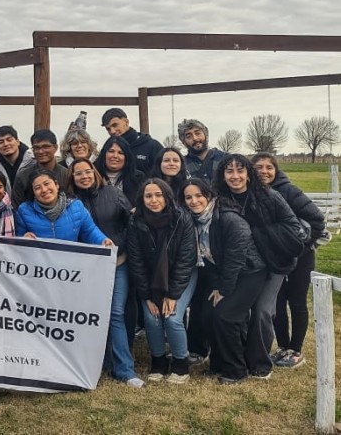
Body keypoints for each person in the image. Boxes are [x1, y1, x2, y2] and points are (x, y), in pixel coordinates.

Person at [213, 153, 301, 379]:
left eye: (240, 171)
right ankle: (241, 356)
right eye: (229, 171)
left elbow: (292, 224)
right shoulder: (220, 200)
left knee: (262, 311)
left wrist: (261, 233)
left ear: (249, 174)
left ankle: (260, 364)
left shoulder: (269, 196)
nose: (235, 176)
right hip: (245, 266)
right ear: (222, 176)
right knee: (240, 311)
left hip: (273, 263)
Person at [181, 179, 266, 384]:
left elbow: (236, 258)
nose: (194, 201)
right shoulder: (194, 221)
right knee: (208, 314)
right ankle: (218, 364)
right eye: (188, 197)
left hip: (249, 273)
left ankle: (236, 369)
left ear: (209, 195)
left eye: (199, 195)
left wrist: (223, 290)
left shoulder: (229, 219)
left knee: (226, 316)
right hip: (223, 274)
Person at [66, 159, 142, 388]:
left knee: (116, 313)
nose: (83, 176)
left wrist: (114, 245)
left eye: (87, 171)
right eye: (78, 173)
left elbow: (131, 222)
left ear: (95, 172)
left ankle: (125, 369)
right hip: (86, 268)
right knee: (91, 316)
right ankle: (99, 363)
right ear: (72, 178)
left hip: (117, 262)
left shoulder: (113, 193)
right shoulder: (69, 202)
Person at [252, 152, 328, 369]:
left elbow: (317, 220)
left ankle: (296, 350)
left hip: (300, 257)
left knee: (297, 301)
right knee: (277, 302)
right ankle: (283, 346)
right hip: (274, 259)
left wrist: (300, 247)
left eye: (269, 167)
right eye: (259, 167)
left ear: (276, 170)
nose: (264, 171)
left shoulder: (288, 190)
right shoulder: (253, 193)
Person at [127, 178, 198, 384]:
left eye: (158, 195)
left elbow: (186, 259)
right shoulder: (135, 221)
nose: (153, 200)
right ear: (142, 199)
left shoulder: (182, 218)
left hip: (181, 275)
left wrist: (172, 295)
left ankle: (180, 364)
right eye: (148, 196)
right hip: (149, 279)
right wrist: (147, 297)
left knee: (172, 317)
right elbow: (136, 261)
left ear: (167, 196)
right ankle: (158, 361)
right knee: (152, 318)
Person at [15, 168, 113, 246]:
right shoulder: (24, 211)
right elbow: (17, 240)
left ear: (56, 184)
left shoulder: (76, 207)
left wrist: (103, 241)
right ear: (33, 192)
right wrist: (23, 238)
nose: (44, 190)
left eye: (47, 184)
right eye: (37, 188)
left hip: (68, 265)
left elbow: (90, 231)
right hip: (39, 267)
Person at [11, 129, 69, 209]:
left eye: (45, 147)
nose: (41, 151)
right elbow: (16, 207)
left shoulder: (66, 174)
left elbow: (72, 203)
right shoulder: (23, 176)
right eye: (36, 148)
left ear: (55, 148)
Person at [100, 108, 163, 174]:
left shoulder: (152, 146)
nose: (112, 131)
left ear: (126, 122)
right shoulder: (107, 149)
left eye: (115, 125)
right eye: (108, 129)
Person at [94, 135, 145, 203]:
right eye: (111, 151)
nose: (115, 156)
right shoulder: (93, 176)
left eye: (121, 153)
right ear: (104, 154)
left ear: (126, 157)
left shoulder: (138, 178)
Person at [0, 125, 34, 194]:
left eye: (9, 140)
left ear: (17, 142)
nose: (6, 144)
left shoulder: (32, 162)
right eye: (1, 142)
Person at [178, 119, 225, 183]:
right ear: (183, 142)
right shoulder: (181, 165)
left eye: (198, 133)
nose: (195, 138)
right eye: (189, 136)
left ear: (206, 135)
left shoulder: (224, 159)